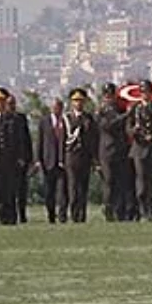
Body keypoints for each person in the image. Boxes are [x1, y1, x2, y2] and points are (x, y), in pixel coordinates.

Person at [0, 88, 29, 225]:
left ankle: (10, 217)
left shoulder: (14, 119)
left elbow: (20, 140)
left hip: (10, 160)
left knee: (10, 190)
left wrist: (21, 157)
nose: (0, 103)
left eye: (2, 100)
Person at [128, 80, 152, 222]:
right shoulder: (135, 108)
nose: (145, 94)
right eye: (143, 92)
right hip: (139, 148)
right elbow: (129, 127)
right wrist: (134, 132)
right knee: (141, 180)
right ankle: (143, 209)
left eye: (148, 91)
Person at [64, 88, 98, 223]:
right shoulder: (67, 118)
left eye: (80, 100)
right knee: (73, 188)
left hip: (85, 157)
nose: (78, 103)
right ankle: (74, 214)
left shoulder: (88, 118)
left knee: (83, 188)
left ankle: (82, 215)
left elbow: (93, 138)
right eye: (75, 100)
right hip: (71, 157)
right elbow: (63, 140)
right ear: (71, 102)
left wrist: (95, 158)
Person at [96, 83, 129, 221]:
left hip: (120, 149)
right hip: (106, 150)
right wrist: (126, 115)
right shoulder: (101, 110)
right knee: (109, 180)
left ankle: (119, 210)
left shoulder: (119, 108)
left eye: (111, 94)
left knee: (120, 182)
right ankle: (108, 206)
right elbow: (108, 125)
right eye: (107, 94)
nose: (109, 97)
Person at [35, 97, 69, 223]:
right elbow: (40, 141)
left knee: (62, 192)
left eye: (59, 107)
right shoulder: (44, 121)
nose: (57, 109)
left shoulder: (66, 121)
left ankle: (62, 216)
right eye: (55, 107)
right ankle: (51, 215)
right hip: (47, 161)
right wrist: (38, 159)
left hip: (62, 162)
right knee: (49, 191)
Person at [8, 95, 33, 223]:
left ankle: (22, 214)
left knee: (22, 189)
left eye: (13, 103)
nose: (11, 106)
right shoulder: (4, 119)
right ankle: (11, 214)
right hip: (8, 160)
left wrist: (29, 159)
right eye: (9, 103)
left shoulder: (21, 118)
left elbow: (26, 139)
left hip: (21, 160)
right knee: (9, 189)